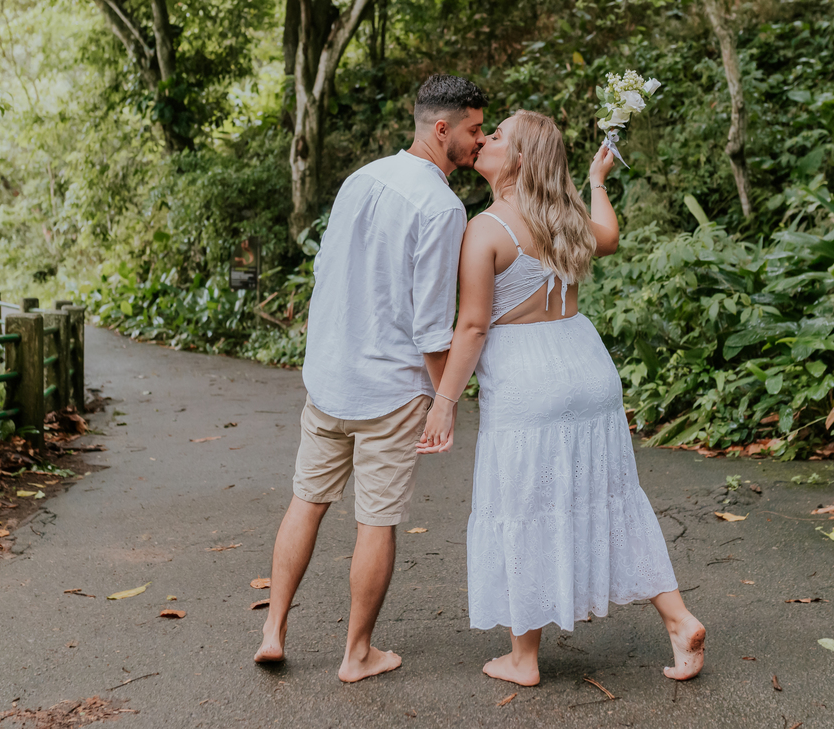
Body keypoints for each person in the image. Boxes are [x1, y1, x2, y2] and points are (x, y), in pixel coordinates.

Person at [417, 110, 705, 686]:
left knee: (524, 507)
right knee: (612, 498)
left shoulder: (486, 229)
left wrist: (444, 400)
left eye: (499, 135)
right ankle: (679, 620)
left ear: (520, 158)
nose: (486, 140)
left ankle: (523, 658)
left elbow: (471, 327)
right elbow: (611, 237)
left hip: (528, 381)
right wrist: (597, 183)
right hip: (587, 368)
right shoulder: (565, 218)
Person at [253, 75, 488, 683]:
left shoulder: (361, 178)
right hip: (390, 391)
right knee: (376, 521)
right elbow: (431, 325)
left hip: (330, 378)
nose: (480, 141)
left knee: (306, 501)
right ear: (442, 129)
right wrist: (446, 401)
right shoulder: (442, 206)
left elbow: (327, 272)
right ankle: (357, 654)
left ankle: (273, 630)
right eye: (474, 129)